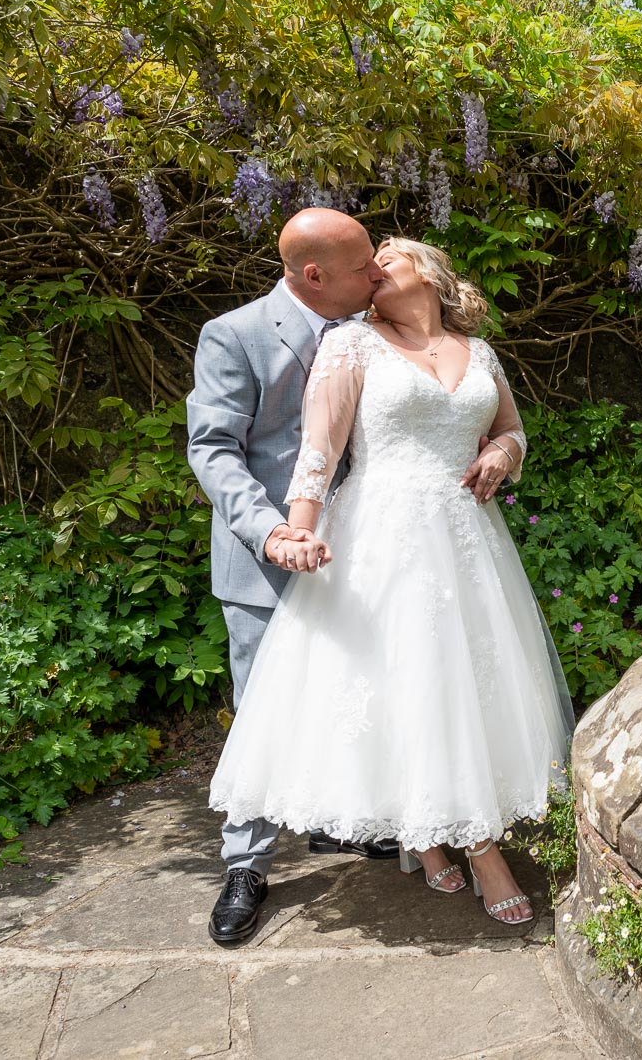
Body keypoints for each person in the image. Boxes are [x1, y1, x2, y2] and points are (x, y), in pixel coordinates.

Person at [207, 235, 574, 929]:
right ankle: (480, 851)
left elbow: (513, 429)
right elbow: (321, 447)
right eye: (368, 261)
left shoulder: (481, 353)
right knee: (411, 680)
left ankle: (430, 834)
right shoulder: (351, 344)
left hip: (467, 539)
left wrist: (501, 452)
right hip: (383, 536)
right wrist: (300, 530)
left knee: (466, 684)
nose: (373, 268)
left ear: (430, 275)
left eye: (388, 258)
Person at [186, 208, 401, 945]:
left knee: (360, 686)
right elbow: (214, 449)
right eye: (362, 266)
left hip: (365, 553)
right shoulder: (237, 335)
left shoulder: (380, 329)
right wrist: (272, 530)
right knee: (261, 711)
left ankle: (349, 820)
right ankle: (246, 864)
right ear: (314, 276)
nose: (377, 274)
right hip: (265, 561)